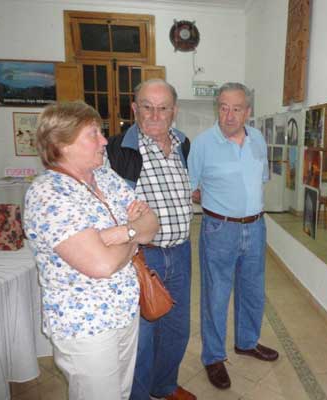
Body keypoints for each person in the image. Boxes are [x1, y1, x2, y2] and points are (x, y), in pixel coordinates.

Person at [24, 101, 159, 400]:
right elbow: (102, 265)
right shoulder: (48, 194)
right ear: (62, 144)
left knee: (120, 394)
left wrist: (123, 233)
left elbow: (152, 223)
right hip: (87, 327)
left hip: (125, 312)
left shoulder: (106, 178)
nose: (103, 141)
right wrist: (135, 234)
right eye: (93, 134)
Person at [106, 79, 196, 400]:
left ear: (174, 111)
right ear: (134, 108)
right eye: (147, 106)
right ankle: (139, 395)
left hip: (182, 251)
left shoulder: (185, 145)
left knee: (177, 328)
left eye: (163, 108)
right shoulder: (117, 150)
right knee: (143, 336)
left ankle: (164, 386)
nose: (154, 114)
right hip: (143, 256)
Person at [188, 82, 279, 390]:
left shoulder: (259, 141)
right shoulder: (202, 144)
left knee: (253, 290)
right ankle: (213, 356)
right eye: (223, 107)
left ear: (247, 112)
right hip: (219, 228)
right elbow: (191, 186)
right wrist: (211, 198)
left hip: (255, 226)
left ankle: (247, 341)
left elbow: (260, 179)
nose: (228, 115)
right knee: (216, 294)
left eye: (236, 108)